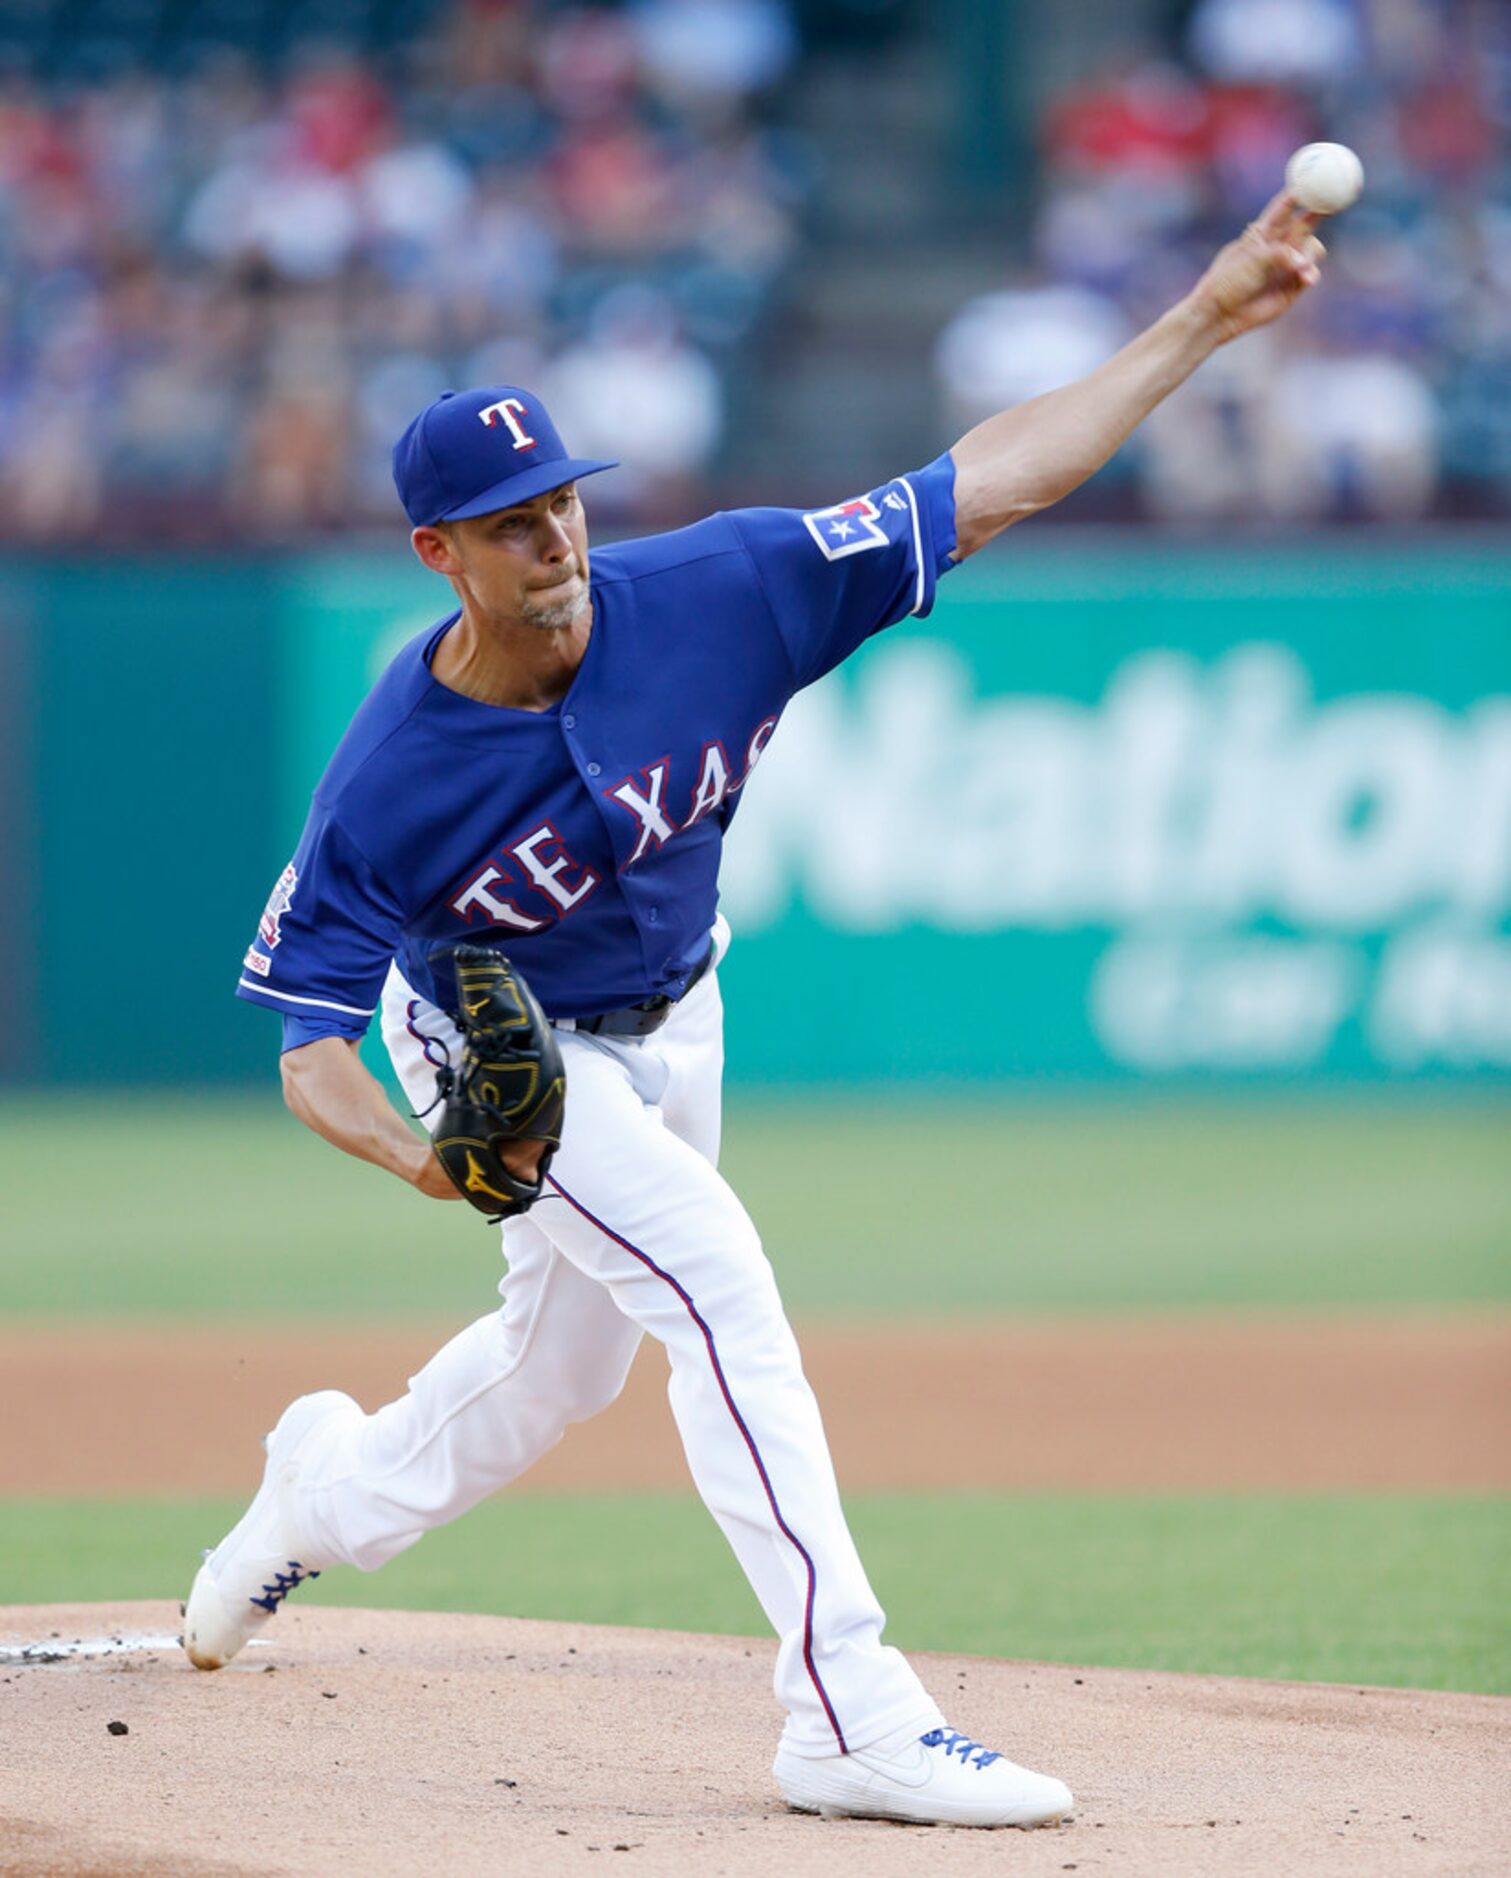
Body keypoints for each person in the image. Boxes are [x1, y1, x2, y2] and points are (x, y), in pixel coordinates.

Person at [184, 192, 1325, 1828]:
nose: (555, 541)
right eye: (510, 524)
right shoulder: (385, 779)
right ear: (439, 553)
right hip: (499, 1045)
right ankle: (845, 1707)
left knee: (556, 1373)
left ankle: (312, 1497)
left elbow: (991, 480)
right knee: (718, 1284)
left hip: (680, 1008)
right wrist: (433, 1160)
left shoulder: (725, 586)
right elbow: (308, 1048)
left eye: (563, 503)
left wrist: (1208, 314)